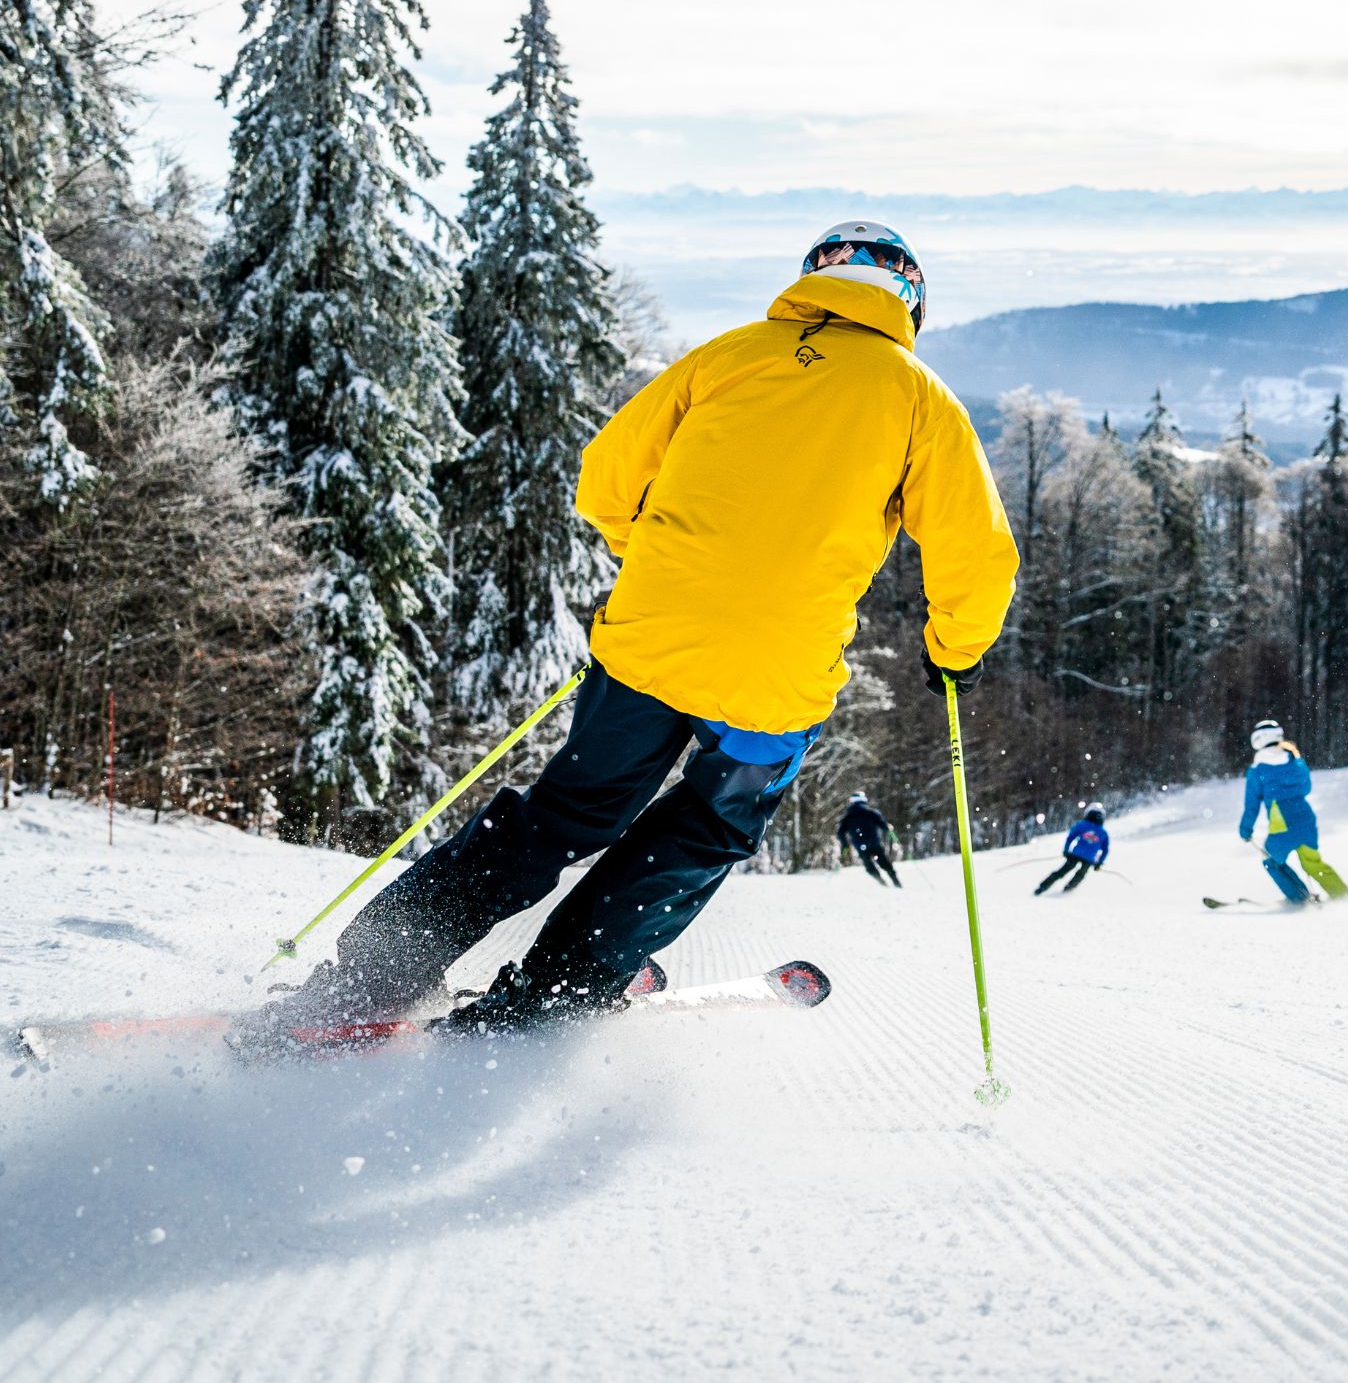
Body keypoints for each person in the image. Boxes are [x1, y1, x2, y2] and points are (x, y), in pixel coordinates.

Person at [240, 220, 1017, 1049]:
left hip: (647, 643)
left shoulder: (726, 356)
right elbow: (977, 556)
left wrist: (661, 564)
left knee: (562, 815)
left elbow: (606, 479)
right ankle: (557, 986)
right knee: (706, 828)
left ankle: (375, 973)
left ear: (812, 279)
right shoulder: (921, 400)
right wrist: (953, 654)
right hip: (773, 680)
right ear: (911, 301)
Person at [1240, 720, 1348, 904]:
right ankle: (1343, 896)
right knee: (1312, 863)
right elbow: (1306, 788)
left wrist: (1245, 829)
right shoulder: (1295, 760)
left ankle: (1300, 898)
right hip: (1306, 819)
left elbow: (1251, 804)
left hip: (1282, 825)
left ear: (1258, 740)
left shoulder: (1257, 769)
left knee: (1272, 860)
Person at [1034, 805, 1109, 894]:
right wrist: (1099, 863)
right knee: (1081, 874)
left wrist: (1066, 850)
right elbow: (1105, 850)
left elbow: (1070, 838)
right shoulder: (1103, 832)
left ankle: (1042, 887)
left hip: (1076, 854)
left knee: (1062, 871)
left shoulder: (1082, 825)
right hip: (1089, 858)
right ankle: (1068, 890)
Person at [837, 791, 903, 887]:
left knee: (869, 867)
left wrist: (845, 845)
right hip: (874, 843)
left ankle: (882, 884)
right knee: (885, 864)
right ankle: (897, 883)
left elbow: (840, 833)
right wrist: (893, 836)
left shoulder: (848, 816)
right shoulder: (871, 812)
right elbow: (884, 825)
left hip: (860, 846)